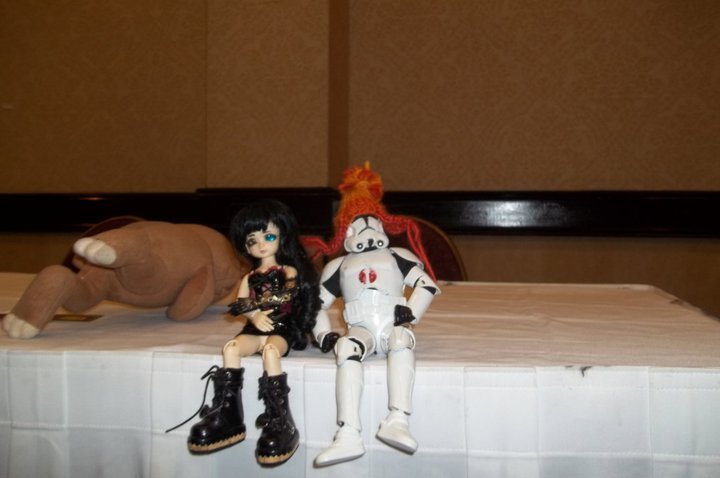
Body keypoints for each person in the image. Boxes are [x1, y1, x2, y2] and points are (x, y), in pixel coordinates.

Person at [167, 199, 320, 467]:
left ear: (282, 236)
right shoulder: (249, 277)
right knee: (231, 348)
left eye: (268, 236)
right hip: (255, 326)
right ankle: (229, 415)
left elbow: (289, 295)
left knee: (270, 351)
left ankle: (281, 420)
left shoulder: (288, 270)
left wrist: (263, 306)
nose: (261, 245)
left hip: (281, 326)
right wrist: (255, 315)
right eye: (252, 241)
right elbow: (240, 303)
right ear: (245, 246)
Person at [306, 163, 441, 466]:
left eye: (371, 220)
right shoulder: (338, 266)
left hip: (392, 322)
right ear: (346, 232)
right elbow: (316, 305)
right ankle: (348, 433)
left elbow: (426, 285)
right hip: (361, 328)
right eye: (357, 223)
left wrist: (410, 312)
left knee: (401, 340)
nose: (366, 227)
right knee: (346, 348)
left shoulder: (397, 256)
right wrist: (324, 333)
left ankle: (398, 419)